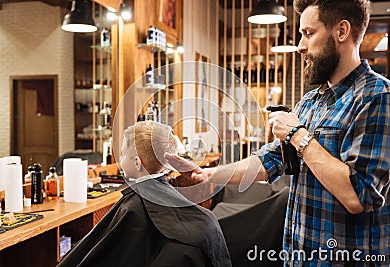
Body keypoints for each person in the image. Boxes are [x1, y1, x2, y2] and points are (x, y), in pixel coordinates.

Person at [165, 0, 389, 266]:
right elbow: (268, 161)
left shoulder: (376, 97)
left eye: (308, 33)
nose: (300, 45)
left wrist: (298, 134)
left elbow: (358, 196)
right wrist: (209, 174)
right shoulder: (310, 102)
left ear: (341, 32)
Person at [58, 121, 231, 267]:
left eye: (123, 154)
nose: (120, 159)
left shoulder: (132, 207)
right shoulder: (205, 218)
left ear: (137, 163)